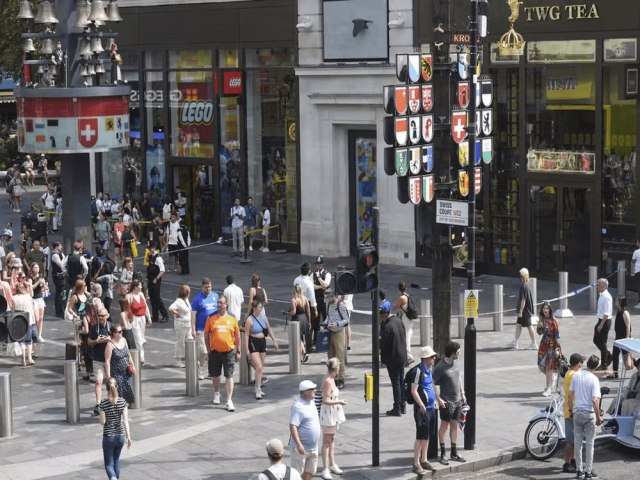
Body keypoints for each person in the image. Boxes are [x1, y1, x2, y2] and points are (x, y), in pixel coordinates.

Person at [569, 354, 604, 480]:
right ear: (596, 366)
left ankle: (579, 470)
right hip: (589, 415)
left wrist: (571, 409)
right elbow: (595, 401)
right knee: (590, 444)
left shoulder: (576, 375)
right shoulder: (594, 379)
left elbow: (570, 395)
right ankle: (588, 471)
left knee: (578, 443)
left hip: (577, 413)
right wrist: (598, 417)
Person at [204, 295, 241, 412]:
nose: (220, 305)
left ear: (226, 305)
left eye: (222, 303)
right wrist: (208, 350)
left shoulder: (232, 318)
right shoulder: (211, 317)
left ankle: (229, 400)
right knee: (215, 374)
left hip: (229, 351)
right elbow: (206, 334)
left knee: (229, 375)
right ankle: (216, 393)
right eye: (218, 302)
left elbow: (237, 335)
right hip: (215, 351)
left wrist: (238, 350)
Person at [433, 341, 466, 465]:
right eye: (458, 351)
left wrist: (462, 393)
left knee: (454, 426)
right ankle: (443, 453)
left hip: (457, 401)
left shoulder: (455, 364)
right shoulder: (440, 367)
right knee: (444, 426)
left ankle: (453, 451)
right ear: (452, 353)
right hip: (446, 403)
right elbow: (433, 383)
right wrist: (438, 399)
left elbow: (459, 378)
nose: (459, 353)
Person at [410, 346, 439, 475]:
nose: (434, 358)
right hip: (422, 409)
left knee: (427, 434)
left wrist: (438, 399)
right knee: (420, 435)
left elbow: (431, 385)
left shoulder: (429, 368)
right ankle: (416, 463)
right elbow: (413, 391)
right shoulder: (418, 371)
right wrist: (421, 405)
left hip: (431, 408)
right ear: (426, 358)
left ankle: (424, 459)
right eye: (432, 357)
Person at [244, 299, 279, 399]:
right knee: (258, 366)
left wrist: (274, 341)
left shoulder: (263, 317)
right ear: (254, 308)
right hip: (253, 342)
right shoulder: (250, 319)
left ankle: (257, 386)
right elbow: (246, 335)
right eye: (260, 307)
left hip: (262, 342)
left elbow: (269, 328)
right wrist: (247, 350)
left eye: (262, 307)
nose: (261, 309)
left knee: (261, 367)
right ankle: (258, 389)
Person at [99, 377, 132, 480]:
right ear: (117, 387)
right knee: (116, 460)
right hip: (120, 436)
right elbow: (125, 421)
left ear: (106, 388)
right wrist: (128, 437)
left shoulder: (103, 403)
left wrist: (100, 412)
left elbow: (103, 422)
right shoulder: (122, 402)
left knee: (109, 464)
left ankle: (113, 478)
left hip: (108, 437)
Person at [319, 358, 347, 480]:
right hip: (329, 414)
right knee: (326, 442)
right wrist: (339, 401)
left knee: (332, 439)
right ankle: (325, 468)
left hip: (333, 414)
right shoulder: (328, 381)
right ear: (336, 369)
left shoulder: (330, 378)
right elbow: (325, 400)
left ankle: (332, 464)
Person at [379, 299, 407, 416]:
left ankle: (397, 408)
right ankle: (403, 406)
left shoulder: (387, 327)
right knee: (401, 381)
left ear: (384, 314)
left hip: (393, 358)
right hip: (402, 356)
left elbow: (382, 345)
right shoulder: (398, 321)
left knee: (396, 382)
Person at [289, 380, 321, 480]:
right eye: (313, 389)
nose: (315, 391)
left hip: (313, 447)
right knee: (296, 475)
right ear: (306, 392)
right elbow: (293, 426)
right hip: (301, 449)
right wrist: (299, 444)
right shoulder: (298, 406)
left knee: (309, 472)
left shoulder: (311, 401)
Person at [87, 306, 112, 415]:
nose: (101, 318)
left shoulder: (111, 327)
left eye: (103, 316)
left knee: (110, 383)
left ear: (107, 316)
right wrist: (96, 341)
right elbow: (89, 341)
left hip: (109, 360)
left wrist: (109, 339)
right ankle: (98, 403)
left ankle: (111, 402)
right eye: (99, 316)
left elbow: (118, 339)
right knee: (98, 381)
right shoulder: (94, 328)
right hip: (97, 359)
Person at [191, 278, 218, 380]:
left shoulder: (215, 296)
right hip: (201, 329)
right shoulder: (197, 299)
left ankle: (211, 371)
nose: (208, 289)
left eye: (210, 287)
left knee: (213, 351)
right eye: (206, 287)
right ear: (202, 287)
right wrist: (193, 329)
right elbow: (193, 315)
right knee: (203, 351)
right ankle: (201, 368)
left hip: (214, 329)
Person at [562, 353, 585, 474]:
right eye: (581, 363)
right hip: (570, 412)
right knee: (571, 441)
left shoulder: (571, 373)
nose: (582, 365)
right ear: (578, 364)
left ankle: (573, 461)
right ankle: (566, 463)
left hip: (574, 411)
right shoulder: (572, 375)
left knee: (576, 439)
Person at [323, 290, 349, 389]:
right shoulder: (328, 305)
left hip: (338, 332)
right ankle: (333, 377)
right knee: (331, 357)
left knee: (339, 357)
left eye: (328, 298)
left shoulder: (341, 305)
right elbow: (328, 317)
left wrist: (337, 324)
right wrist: (325, 323)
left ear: (333, 296)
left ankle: (341, 379)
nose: (327, 301)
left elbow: (347, 319)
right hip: (330, 331)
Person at [536, 302, 563, 396]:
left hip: (552, 345)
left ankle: (548, 388)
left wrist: (556, 349)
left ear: (550, 310)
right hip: (544, 344)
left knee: (548, 367)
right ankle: (553, 378)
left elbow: (557, 335)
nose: (545, 310)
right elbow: (539, 332)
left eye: (547, 308)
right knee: (540, 365)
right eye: (544, 308)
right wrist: (539, 325)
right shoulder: (542, 319)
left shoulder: (553, 320)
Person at [508, 267, 537, 350]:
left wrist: (520, 311)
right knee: (518, 325)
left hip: (525, 310)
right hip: (528, 309)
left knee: (529, 326)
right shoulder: (529, 283)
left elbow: (523, 299)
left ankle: (534, 343)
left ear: (522, 276)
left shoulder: (523, 286)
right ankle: (515, 342)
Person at [125, 280, 151, 365]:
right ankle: (141, 358)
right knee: (138, 340)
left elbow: (145, 306)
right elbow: (126, 309)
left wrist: (149, 317)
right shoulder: (129, 296)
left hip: (142, 319)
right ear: (135, 287)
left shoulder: (141, 294)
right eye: (140, 285)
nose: (141, 287)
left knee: (142, 339)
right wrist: (129, 319)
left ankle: (139, 356)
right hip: (134, 319)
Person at [168, 284, 193, 368]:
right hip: (181, 325)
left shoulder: (186, 300)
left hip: (188, 324)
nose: (190, 292)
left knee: (190, 340)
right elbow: (171, 308)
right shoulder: (179, 301)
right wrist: (177, 313)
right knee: (180, 342)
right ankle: (178, 360)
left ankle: (189, 358)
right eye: (188, 291)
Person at [13, 282, 36, 366]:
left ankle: (23, 360)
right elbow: (32, 308)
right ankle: (29, 358)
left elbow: (13, 310)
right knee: (29, 341)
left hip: (19, 321)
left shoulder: (14, 298)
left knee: (21, 341)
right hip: (29, 320)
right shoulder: (28, 297)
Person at [287, 283, 311, 363]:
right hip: (304, 319)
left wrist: (287, 313)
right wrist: (309, 321)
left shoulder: (294, 299)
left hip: (297, 319)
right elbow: (308, 311)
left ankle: (303, 354)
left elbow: (293, 312)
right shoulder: (305, 299)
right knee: (301, 338)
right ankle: (303, 354)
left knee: (298, 338)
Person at [392, 282, 415, 362]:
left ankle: (408, 357)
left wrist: (394, 304)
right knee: (408, 334)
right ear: (405, 289)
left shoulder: (402, 298)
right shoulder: (407, 296)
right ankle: (408, 355)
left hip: (405, 319)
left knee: (405, 337)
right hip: (409, 318)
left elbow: (394, 307)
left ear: (399, 289)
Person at [312, 256, 331, 350]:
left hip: (325, 300)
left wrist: (319, 277)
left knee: (326, 320)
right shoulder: (312, 274)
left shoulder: (327, 274)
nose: (318, 266)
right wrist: (321, 286)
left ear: (323, 265)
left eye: (320, 265)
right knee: (315, 321)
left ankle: (327, 340)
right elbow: (312, 286)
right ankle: (315, 339)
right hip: (316, 300)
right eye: (317, 265)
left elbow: (326, 285)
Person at [146, 242, 168, 323]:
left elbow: (162, 270)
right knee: (152, 298)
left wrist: (156, 278)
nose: (149, 250)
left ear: (154, 248)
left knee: (157, 299)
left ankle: (165, 315)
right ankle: (155, 316)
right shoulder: (150, 256)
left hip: (156, 280)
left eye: (150, 248)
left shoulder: (158, 258)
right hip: (150, 279)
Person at [594, 278, 613, 368]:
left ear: (604, 286)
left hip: (604, 321)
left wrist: (601, 325)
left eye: (598, 284)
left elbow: (606, 313)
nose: (597, 286)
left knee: (602, 342)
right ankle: (608, 355)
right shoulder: (601, 294)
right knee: (596, 340)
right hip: (600, 320)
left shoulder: (607, 297)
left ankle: (604, 364)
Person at [27, 263, 47, 343]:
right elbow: (30, 287)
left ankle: (39, 335)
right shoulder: (30, 278)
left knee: (41, 318)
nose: (37, 268)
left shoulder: (41, 276)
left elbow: (42, 286)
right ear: (32, 269)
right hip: (34, 299)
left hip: (40, 298)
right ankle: (34, 334)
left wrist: (44, 285)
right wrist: (38, 282)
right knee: (36, 318)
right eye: (35, 267)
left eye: (38, 267)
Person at [612, 296, 631, 375]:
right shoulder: (619, 311)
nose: (615, 302)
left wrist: (627, 338)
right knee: (615, 355)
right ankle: (615, 373)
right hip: (618, 338)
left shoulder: (625, 312)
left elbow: (628, 326)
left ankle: (637, 365)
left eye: (617, 300)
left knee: (627, 357)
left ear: (620, 302)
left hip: (623, 339)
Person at [50, 241, 67, 317]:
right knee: (59, 293)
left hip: (61, 275)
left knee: (60, 292)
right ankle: (59, 311)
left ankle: (60, 310)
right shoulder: (55, 255)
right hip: (57, 276)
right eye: (60, 246)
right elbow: (61, 264)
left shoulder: (61, 254)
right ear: (56, 246)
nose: (61, 247)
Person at [632, 239, 640, 308]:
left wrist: (631, 272)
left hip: (638, 271)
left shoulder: (636, 252)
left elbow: (633, 261)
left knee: (639, 287)